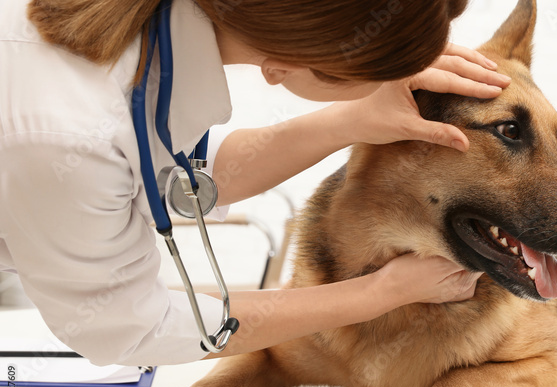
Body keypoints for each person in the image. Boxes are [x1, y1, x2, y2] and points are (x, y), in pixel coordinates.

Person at [0, 0, 510, 366]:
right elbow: (134, 328)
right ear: (285, 65)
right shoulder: (62, 133)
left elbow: (179, 174)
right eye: (387, 74)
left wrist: (352, 119)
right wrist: (379, 293)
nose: (396, 86)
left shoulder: (146, 35)